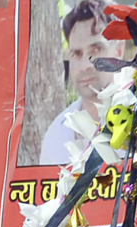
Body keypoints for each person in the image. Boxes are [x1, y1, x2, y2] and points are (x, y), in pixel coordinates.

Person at [40, 1, 126, 164]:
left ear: (119, 50)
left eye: (96, 49)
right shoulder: (57, 135)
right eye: (76, 54)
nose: (85, 65)